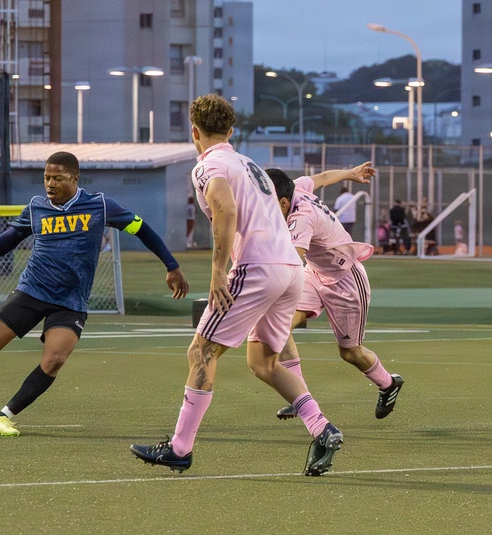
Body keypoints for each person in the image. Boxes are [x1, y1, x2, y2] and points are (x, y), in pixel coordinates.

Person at [130, 94, 343, 476]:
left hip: (258, 268)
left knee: (201, 353)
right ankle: (322, 429)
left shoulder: (209, 165)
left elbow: (224, 209)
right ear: (231, 131)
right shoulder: (250, 165)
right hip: (291, 270)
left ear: (194, 132)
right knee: (264, 362)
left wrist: (216, 270)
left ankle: (179, 448)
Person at [0, 151, 189, 437]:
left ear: (75, 178)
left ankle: (3, 418)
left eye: (57, 178)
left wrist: (172, 266)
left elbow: (143, 230)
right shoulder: (37, 206)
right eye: (46, 178)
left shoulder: (100, 205)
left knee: (54, 360)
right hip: (32, 291)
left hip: (71, 302)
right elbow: (10, 238)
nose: (50, 184)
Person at [264, 164, 405, 422]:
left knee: (350, 352)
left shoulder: (300, 217)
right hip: (315, 274)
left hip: (345, 281)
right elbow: (321, 178)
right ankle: (299, 397)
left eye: (268, 203)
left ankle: (388, 384)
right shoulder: (294, 188)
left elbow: (291, 263)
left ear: (284, 201)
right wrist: (350, 173)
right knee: (278, 326)